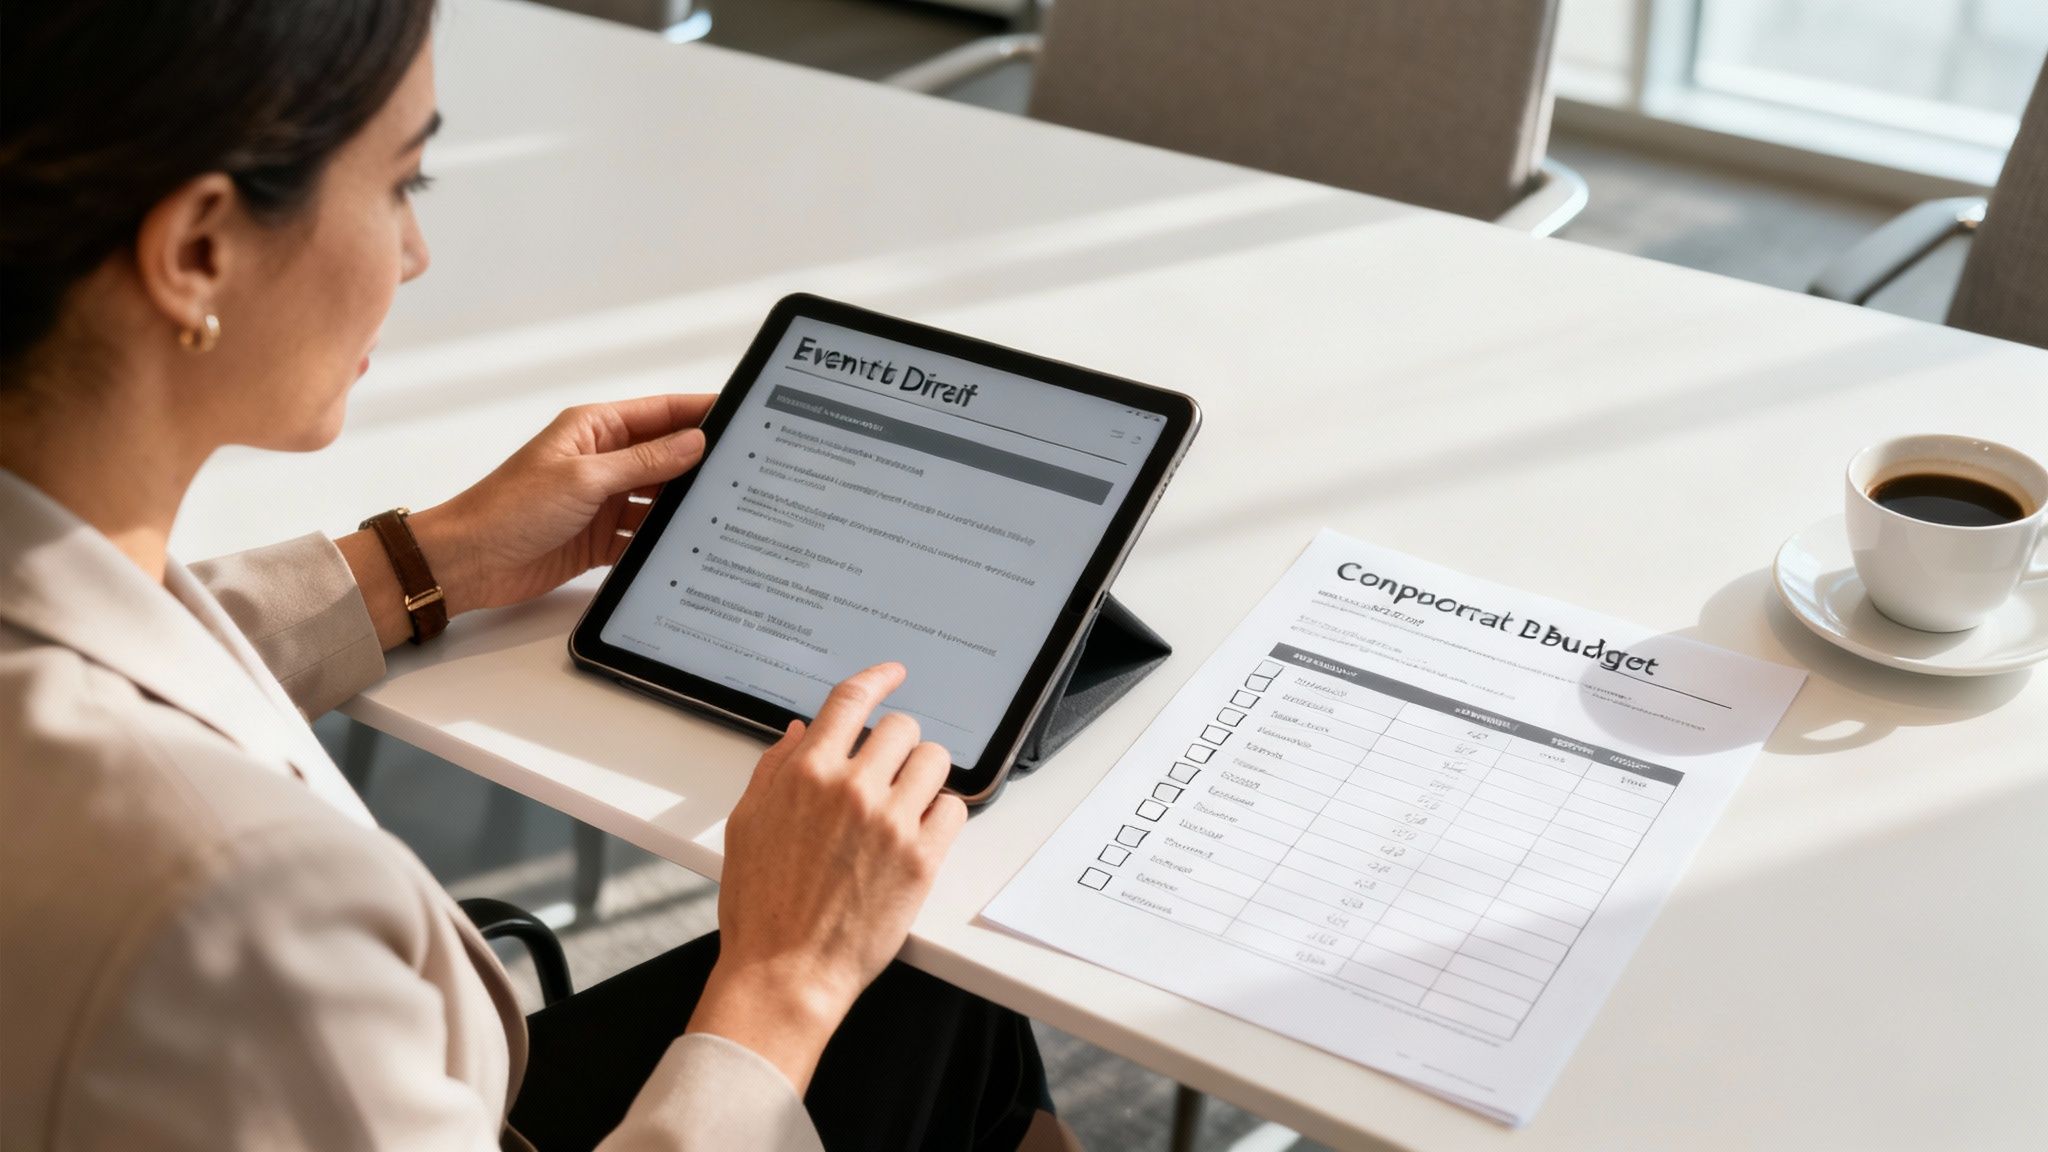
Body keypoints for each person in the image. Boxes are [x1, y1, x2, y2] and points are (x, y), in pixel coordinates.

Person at [0, 2, 1075, 1149]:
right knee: (914, 984)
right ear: (197, 249)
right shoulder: (235, 904)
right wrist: (788, 979)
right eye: (402, 184)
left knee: (945, 1007)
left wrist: (426, 561)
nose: (415, 253)